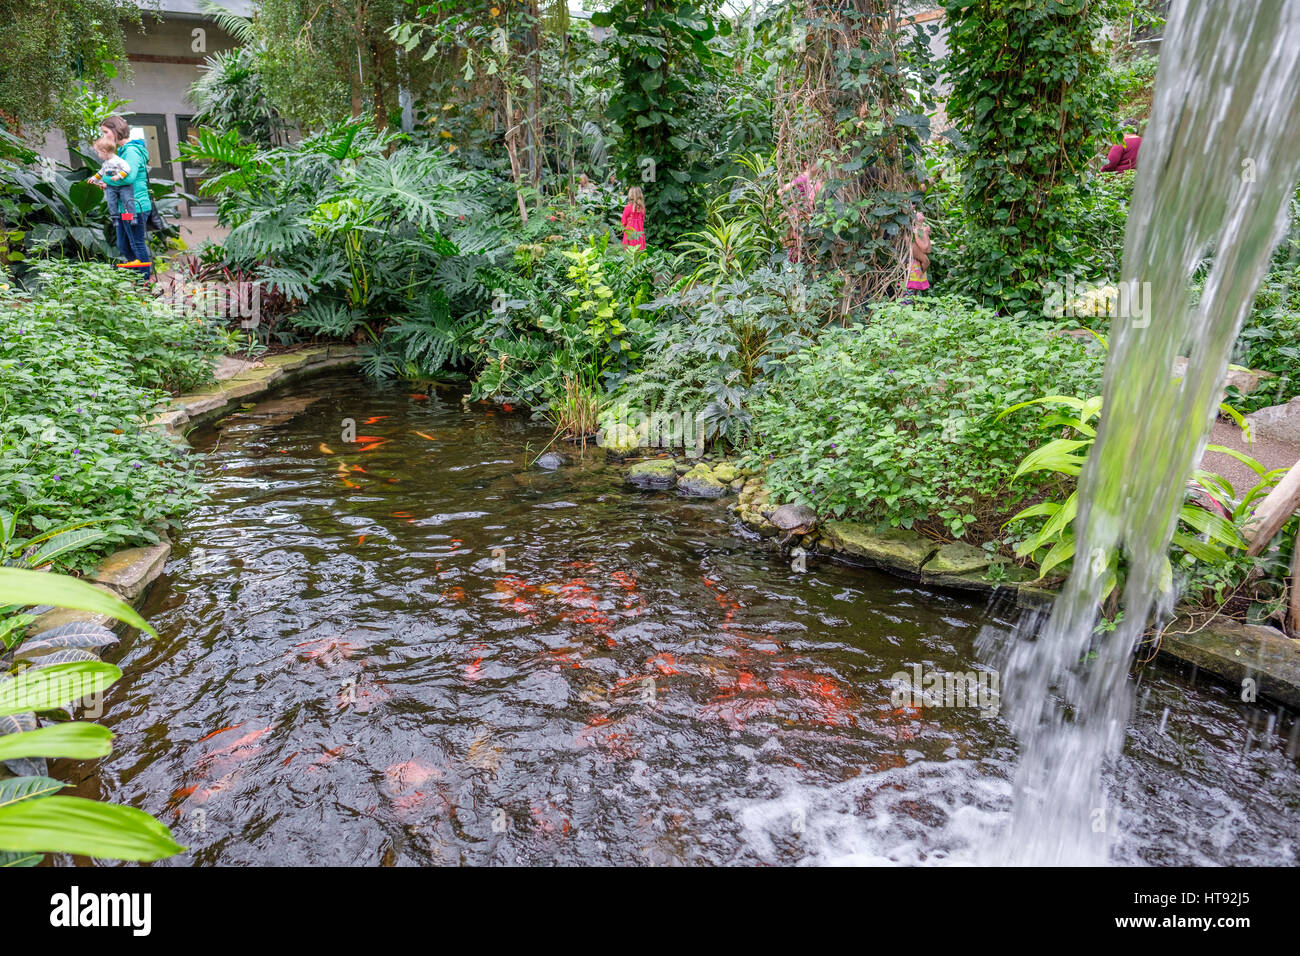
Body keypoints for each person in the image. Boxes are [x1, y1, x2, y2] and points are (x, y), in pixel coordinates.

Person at [93, 115, 153, 278]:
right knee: (124, 244)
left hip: (135, 206)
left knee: (136, 243)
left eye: (105, 132)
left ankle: (144, 282)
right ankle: (137, 276)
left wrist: (104, 178)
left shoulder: (131, 151)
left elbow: (128, 177)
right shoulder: (123, 151)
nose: (104, 136)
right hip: (124, 207)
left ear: (115, 131)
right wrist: (109, 184)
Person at [89, 136, 134, 222]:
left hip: (123, 187)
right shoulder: (106, 163)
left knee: (126, 202)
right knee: (112, 203)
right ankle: (116, 219)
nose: (98, 155)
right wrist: (94, 178)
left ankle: (130, 219)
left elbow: (127, 169)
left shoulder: (118, 161)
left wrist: (118, 176)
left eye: (98, 152)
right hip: (112, 187)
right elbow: (101, 172)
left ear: (104, 152)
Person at [905, 211, 931, 299]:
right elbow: (924, 248)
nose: (920, 212)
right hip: (911, 268)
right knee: (907, 296)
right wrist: (925, 234)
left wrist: (925, 234)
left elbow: (928, 249)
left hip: (917, 269)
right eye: (916, 212)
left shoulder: (920, 229)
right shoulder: (913, 230)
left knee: (912, 296)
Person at [621, 185, 646, 251]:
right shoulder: (642, 208)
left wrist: (623, 229)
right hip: (639, 233)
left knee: (629, 251)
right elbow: (642, 221)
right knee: (638, 251)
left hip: (629, 232)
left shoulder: (628, 207)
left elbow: (623, 221)